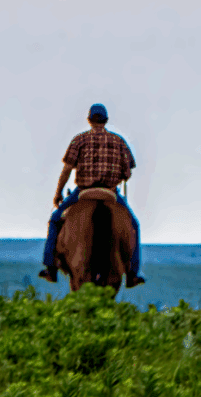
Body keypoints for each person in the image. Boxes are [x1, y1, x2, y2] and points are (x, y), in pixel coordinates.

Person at [39, 103, 146, 288]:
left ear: (89, 120)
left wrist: (58, 193)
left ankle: (50, 267)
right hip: (110, 193)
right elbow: (127, 172)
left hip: (84, 192)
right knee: (134, 225)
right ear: (106, 120)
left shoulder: (79, 140)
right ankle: (133, 273)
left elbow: (66, 169)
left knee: (55, 220)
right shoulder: (119, 141)